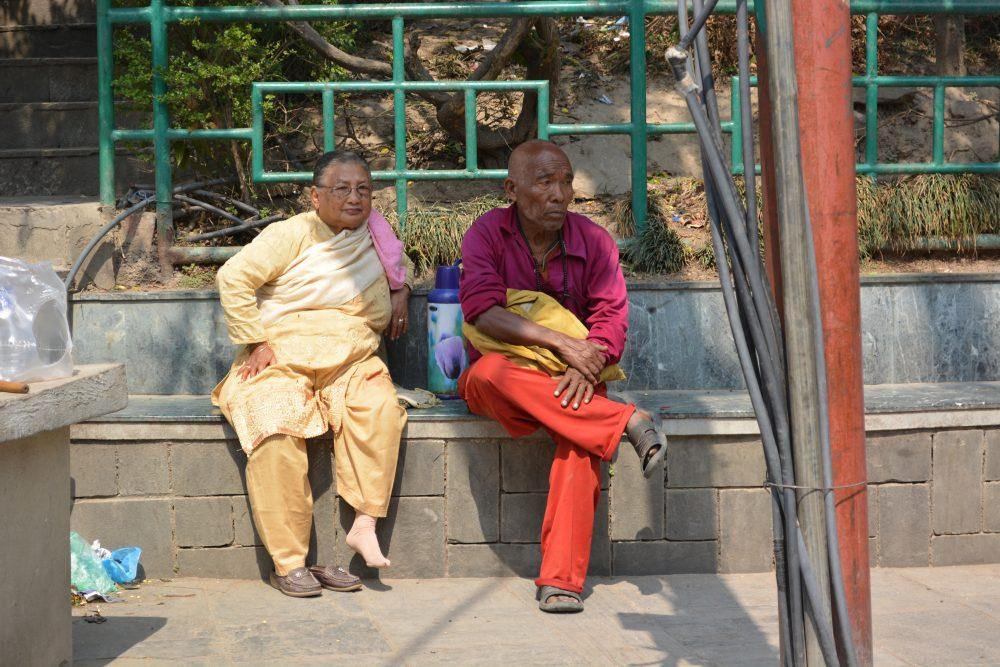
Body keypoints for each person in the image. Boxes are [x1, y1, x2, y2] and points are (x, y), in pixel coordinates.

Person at [458, 140, 667, 614]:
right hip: (507, 379)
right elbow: (481, 310)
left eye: (567, 181)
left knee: (580, 444)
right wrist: (561, 344)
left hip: (578, 378)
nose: (559, 194)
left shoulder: (594, 240)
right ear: (512, 189)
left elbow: (611, 319)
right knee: (488, 373)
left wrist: (584, 358)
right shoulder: (487, 233)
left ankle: (561, 583)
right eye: (544, 182)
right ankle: (623, 421)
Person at [212, 150, 411, 598]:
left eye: (363, 189)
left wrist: (401, 289)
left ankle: (364, 523)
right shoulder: (292, 234)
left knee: (380, 408)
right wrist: (257, 341)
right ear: (315, 196)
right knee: (273, 423)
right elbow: (234, 278)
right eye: (342, 189)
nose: (355, 198)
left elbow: (398, 270)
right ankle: (289, 562)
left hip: (352, 359)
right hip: (282, 356)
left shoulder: (376, 236)